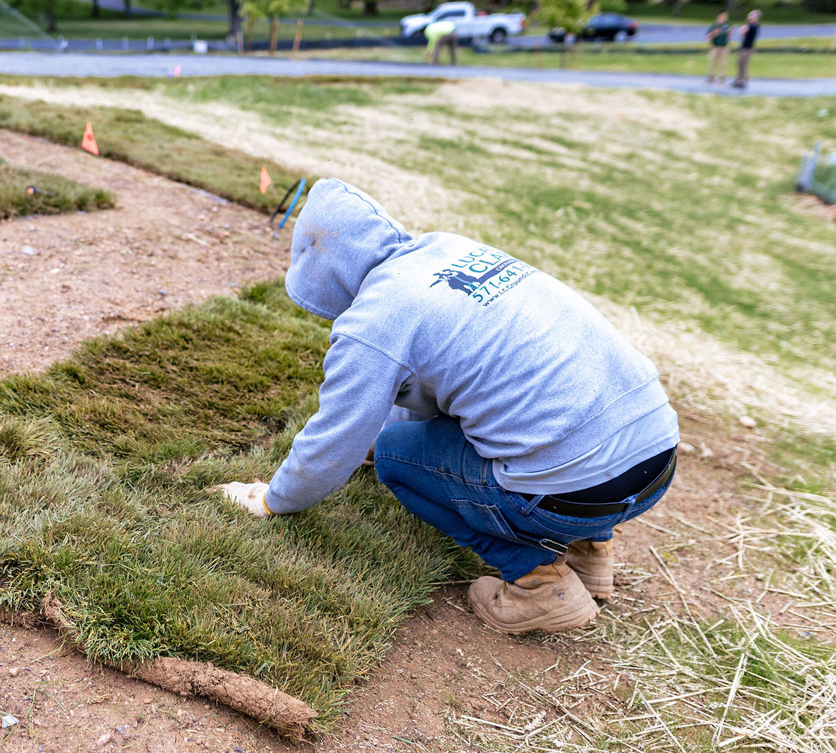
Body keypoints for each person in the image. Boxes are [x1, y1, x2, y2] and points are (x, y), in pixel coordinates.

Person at [210, 179, 679, 636]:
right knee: (553, 414)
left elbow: (336, 439)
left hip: (570, 497)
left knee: (395, 454)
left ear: (325, 276)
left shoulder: (375, 322)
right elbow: (443, 378)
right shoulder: (449, 250)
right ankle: (592, 553)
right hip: (657, 459)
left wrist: (273, 499)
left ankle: (537, 583)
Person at [732, 10, 761, 89]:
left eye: (752, 16)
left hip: (748, 48)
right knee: (739, 63)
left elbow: (743, 31)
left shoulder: (754, 25)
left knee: (744, 64)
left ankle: (743, 80)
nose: (751, 17)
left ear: (756, 18)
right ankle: (739, 79)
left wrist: (746, 24)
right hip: (744, 47)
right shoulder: (750, 25)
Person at [705, 11, 731, 84]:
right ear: (719, 16)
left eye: (726, 16)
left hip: (724, 47)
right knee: (712, 62)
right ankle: (711, 77)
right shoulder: (714, 25)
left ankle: (722, 78)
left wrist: (729, 32)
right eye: (723, 16)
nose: (725, 18)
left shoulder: (727, 25)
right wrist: (714, 33)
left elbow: (729, 35)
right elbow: (708, 37)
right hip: (715, 47)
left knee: (723, 63)